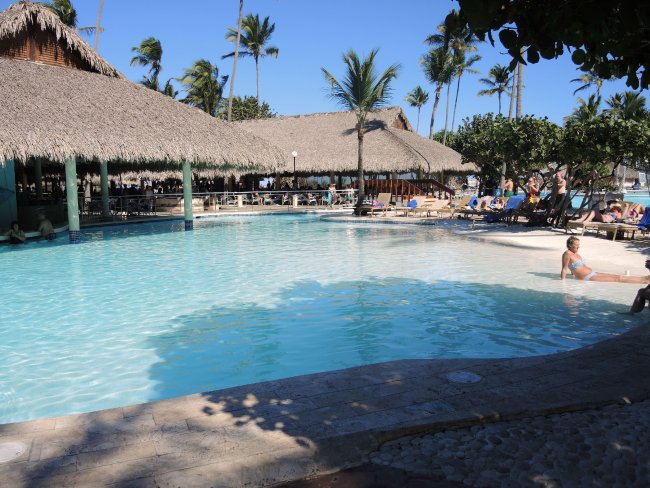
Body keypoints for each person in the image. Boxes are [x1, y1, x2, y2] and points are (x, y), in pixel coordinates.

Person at [561, 236, 650, 283]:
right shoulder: (567, 254)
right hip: (587, 277)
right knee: (618, 279)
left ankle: (645, 278)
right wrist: (562, 283)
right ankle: (644, 281)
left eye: (578, 244)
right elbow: (564, 269)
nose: (578, 246)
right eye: (576, 245)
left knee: (616, 276)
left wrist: (573, 274)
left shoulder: (576, 253)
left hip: (593, 273)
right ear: (570, 245)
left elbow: (573, 268)